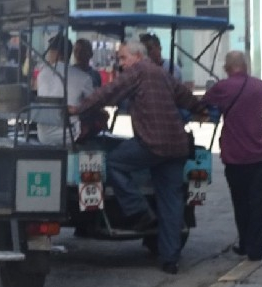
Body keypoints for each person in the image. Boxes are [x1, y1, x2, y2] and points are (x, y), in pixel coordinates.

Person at [71, 39, 199, 274]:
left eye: (122, 58)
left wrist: (78, 109)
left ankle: (139, 210)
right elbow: (186, 97)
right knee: (170, 201)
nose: (121, 64)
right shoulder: (162, 73)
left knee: (112, 164)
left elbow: (107, 93)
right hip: (176, 146)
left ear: (137, 56)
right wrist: (201, 108)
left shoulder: (138, 72)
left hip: (152, 143)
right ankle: (170, 259)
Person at [201, 50, 262, 261]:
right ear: (245, 66)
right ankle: (256, 247)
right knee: (258, 202)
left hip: (234, 157)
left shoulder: (222, 88)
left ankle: (245, 242)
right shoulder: (260, 86)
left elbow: (201, 105)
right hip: (260, 155)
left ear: (227, 68)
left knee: (240, 201)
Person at [35, 35, 94, 145]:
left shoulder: (42, 74)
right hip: (70, 135)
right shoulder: (84, 77)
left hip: (43, 136)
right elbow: (93, 103)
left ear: (56, 53)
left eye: (50, 51)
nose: (48, 55)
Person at [71, 38, 109, 140]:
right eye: (76, 51)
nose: (79, 54)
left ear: (90, 54)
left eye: (83, 51)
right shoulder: (70, 73)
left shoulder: (95, 75)